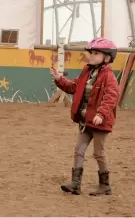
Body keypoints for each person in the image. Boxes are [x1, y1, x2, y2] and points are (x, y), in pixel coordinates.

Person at [50, 37, 120, 196]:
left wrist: (101, 114)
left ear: (107, 57)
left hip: (100, 122)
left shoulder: (109, 76)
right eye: (91, 53)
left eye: (96, 53)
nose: (92, 56)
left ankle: (105, 186)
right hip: (85, 120)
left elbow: (111, 97)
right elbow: (74, 87)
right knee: (79, 150)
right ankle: (75, 185)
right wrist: (59, 79)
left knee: (98, 153)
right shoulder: (86, 71)